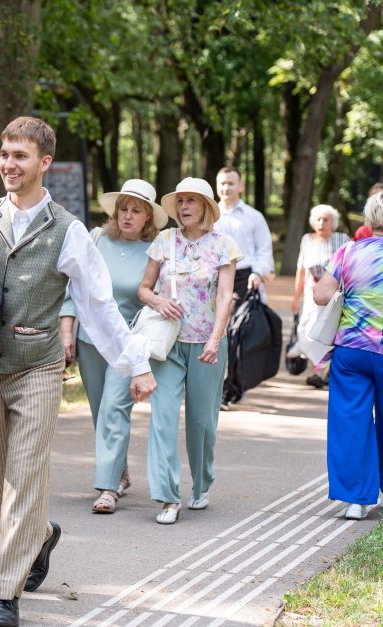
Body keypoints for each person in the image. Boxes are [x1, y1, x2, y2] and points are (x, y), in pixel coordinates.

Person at [0, 117, 156, 627]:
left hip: (38, 367)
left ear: (44, 164)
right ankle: (41, 534)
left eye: (21, 156)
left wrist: (136, 365)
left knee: (24, 477)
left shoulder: (69, 230)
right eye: (5, 154)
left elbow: (99, 307)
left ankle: (5, 593)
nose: (9, 164)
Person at [60, 179, 168, 515]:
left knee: (112, 408)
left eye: (137, 211)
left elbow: (155, 299)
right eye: (124, 208)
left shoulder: (155, 252)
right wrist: (67, 331)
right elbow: (74, 289)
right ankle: (119, 473)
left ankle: (107, 489)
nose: (128, 215)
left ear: (148, 218)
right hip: (91, 340)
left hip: (128, 345)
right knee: (99, 411)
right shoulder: (96, 241)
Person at [137, 177, 241, 525]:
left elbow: (225, 296)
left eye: (191, 201)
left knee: (201, 423)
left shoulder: (224, 245)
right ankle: (167, 497)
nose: (184, 207)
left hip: (206, 346)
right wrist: (157, 300)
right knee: (162, 419)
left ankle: (202, 483)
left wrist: (215, 338)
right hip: (166, 345)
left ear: (207, 208)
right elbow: (143, 288)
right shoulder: (164, 241)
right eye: (180, 201)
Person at [313, 192, 383, 520]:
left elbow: (321, 294)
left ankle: (356, 500)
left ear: (369, 220)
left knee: (350, 422)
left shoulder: (349, 251)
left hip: (352, 350)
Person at [214, 166, 274, 407]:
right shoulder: (210, 215)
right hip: (215, 278)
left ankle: (231, 388)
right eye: (222, 183)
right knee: (215, 332)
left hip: (244, 277)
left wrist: (258, 273)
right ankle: (215, 385)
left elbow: (264, 249)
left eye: (231, 183)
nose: (226, 188)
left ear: (240, 186)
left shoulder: (253, 216)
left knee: (236, 333)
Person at [289, 205, 350, 388]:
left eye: (326, 219)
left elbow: (349, 269)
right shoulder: (307, 240)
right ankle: (319, 366)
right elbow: (301, 271)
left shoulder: (343, 240)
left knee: (330, 330)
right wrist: (295, 298)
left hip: (334, 295)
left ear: (333, 223)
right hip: (312, 293)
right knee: (306, 330)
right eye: (318, 219)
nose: (322, 223)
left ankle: (322, 371)